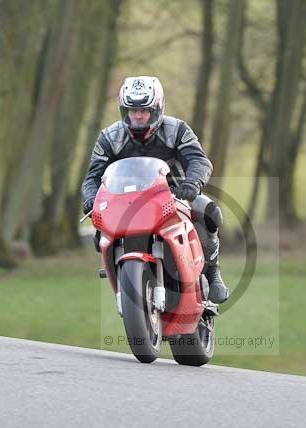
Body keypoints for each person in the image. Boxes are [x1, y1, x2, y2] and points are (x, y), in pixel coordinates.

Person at [80, 76, 229, 304]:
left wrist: (191, 184)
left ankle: (211, 271)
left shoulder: (177, 130)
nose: (138, 116)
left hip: (174, 197)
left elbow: (200, 161)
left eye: (144, 110)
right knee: (99, 229)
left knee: (207, 209)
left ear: (157, 109)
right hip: (125, 204)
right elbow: (92, 177)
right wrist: (91, 198)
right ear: (123, 110)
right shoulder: (109, 138)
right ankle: (118, 272)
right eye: (132, 110)